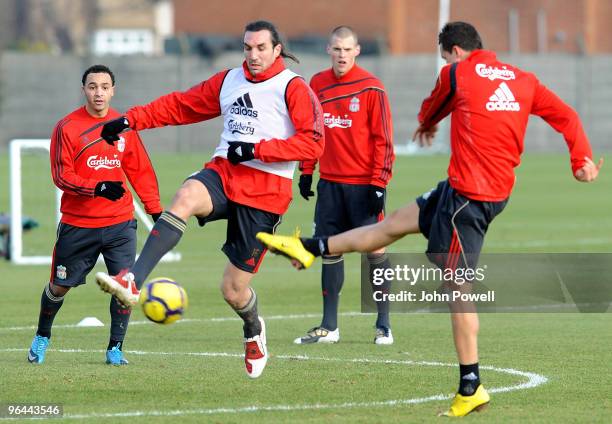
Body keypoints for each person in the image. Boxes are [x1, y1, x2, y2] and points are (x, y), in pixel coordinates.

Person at [257, 21, 603, 416]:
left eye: (442, 56)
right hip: (473, 190)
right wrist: (581, 161)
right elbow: (567, 116)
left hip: (468, 200)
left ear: (453, 51)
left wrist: (427, 122)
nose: (444, 62)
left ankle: (470, 384)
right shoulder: (523, 80)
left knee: (458, 290)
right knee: (392, 226)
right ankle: (308, 248)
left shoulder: (456, 73)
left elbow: (431, 109)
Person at [94, 20, 324, 379]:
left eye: (261, 48)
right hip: (224, 173)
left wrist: (257, 149)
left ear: (277, 50)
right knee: (185, 195)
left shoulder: (293, 87)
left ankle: (254, 330)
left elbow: (313, 143)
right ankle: (132, 280)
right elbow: (181, 106)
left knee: (233, 291)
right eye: (248, 47)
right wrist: (129, 120)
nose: (253, 55)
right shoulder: (229, 80)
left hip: (266, 193)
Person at [27, 64, 162, 366]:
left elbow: (140, 171)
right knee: (59, 286)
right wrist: (97, 187)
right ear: (84, 89)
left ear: (113, 89)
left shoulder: (124, 126)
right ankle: (42, 335)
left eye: (104, 86)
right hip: (79, 226)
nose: (98, 92)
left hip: (120, 224)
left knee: (124, 286)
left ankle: (115, 348)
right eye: (92, 86)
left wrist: (154, 210)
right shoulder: (67, 127)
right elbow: (61, 176)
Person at [294, 26, 395, 345]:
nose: (341, 55)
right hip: (331, 187)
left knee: (375, 252)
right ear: (328, 50)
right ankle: (329, 326)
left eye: (347, 49)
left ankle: (384, 324)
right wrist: (307, 171)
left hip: (364, 187)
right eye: (336, 49)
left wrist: (378, 184)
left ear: (357, 51)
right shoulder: (317, 84)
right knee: (329, 251)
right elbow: (311, 131)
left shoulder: (372, 88)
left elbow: (384, 140)